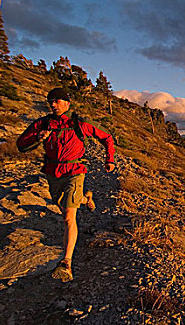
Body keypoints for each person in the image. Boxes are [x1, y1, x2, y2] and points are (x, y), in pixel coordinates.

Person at [17, 87, 115, 282]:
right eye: (50, 101)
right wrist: (38, 138)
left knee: (69, 217)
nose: (53, 104)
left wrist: (109, 159)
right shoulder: (43, 124)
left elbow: (107, 137)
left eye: (58, 101)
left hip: (75, 172)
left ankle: (66, 262)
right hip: (53, 174)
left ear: (67, 104)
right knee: (65, 210)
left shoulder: (79, 124)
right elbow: (21, 145)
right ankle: (86, 196)